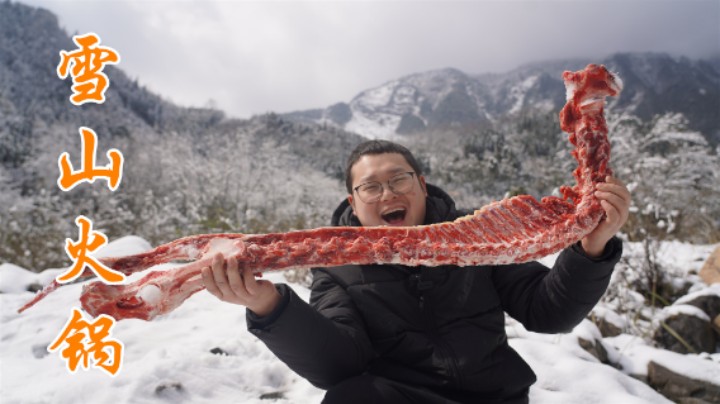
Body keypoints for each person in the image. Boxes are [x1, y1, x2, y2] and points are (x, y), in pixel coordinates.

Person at [200, 140, 631, 403]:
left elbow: (548, 312)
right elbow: (337, 365)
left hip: (494, 396)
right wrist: (268, 306)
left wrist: (590, 250)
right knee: (350, 396)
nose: (386, 192)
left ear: (421, 185)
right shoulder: (337, 266)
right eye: (370, 186)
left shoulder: (478, 237)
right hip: (401, 398)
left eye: (399, 179)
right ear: (354, 202)